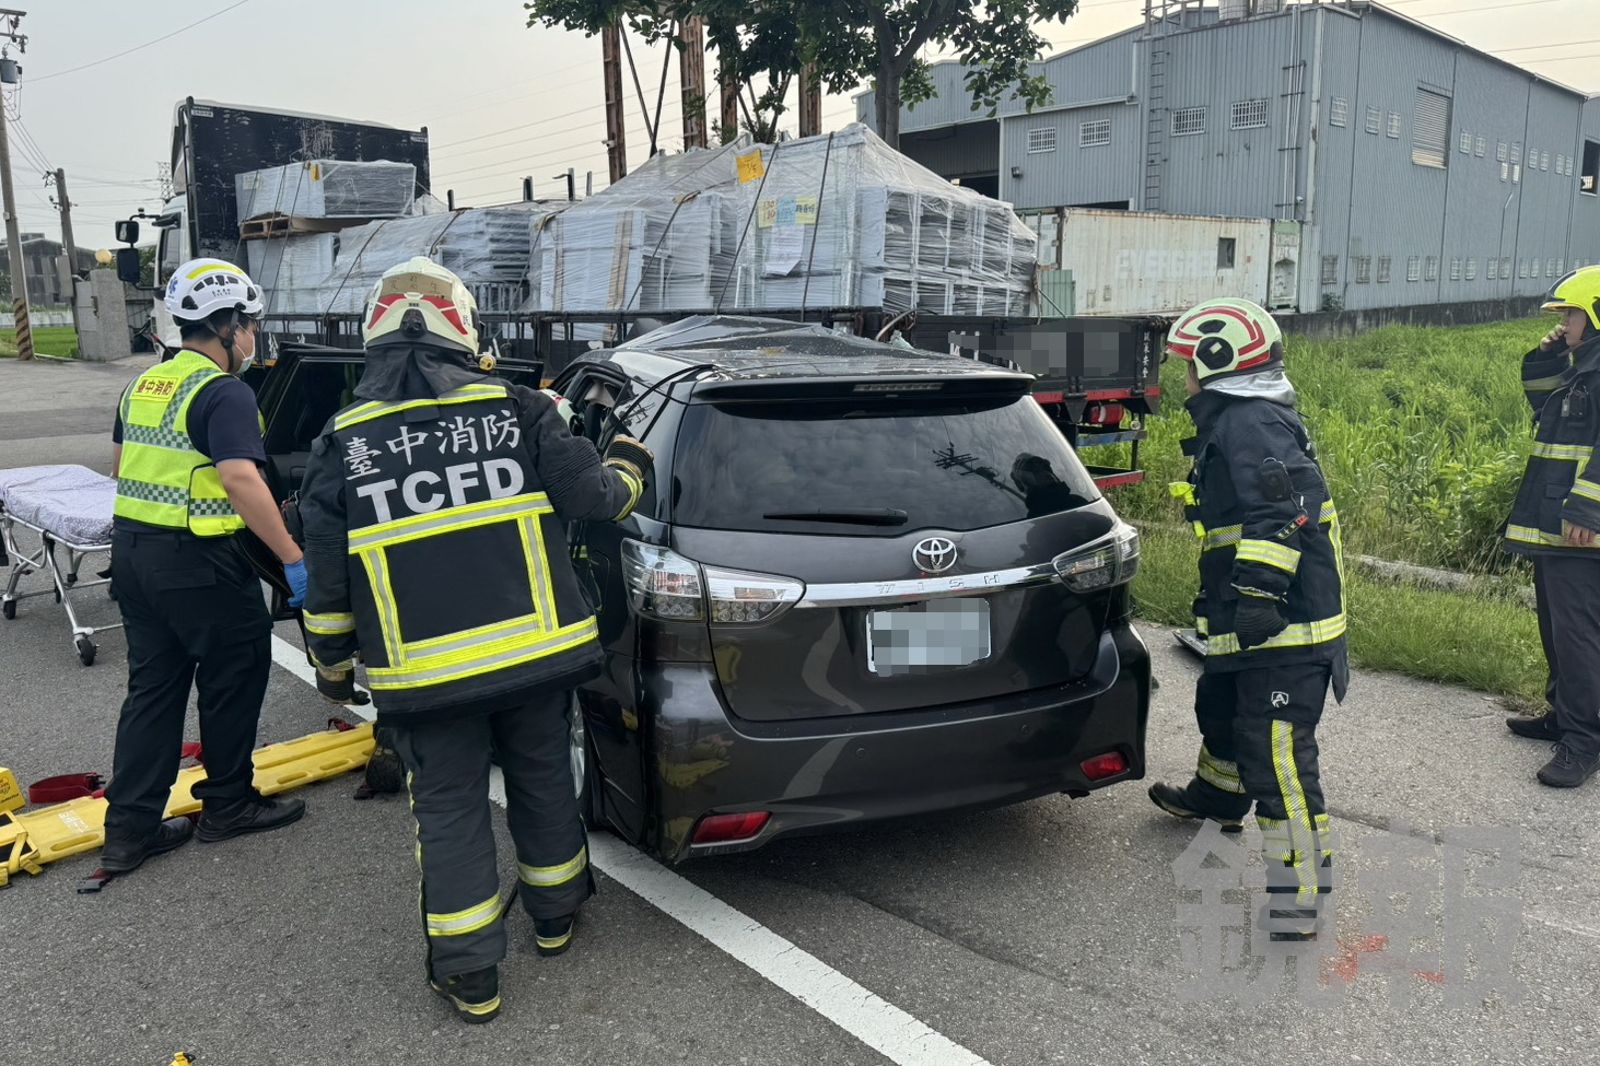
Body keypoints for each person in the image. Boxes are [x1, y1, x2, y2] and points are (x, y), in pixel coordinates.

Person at [296, 257, 651, 1024]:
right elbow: (599, 498)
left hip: (428, 682)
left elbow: (327, 584)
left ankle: (471, 975)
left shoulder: (343, 445)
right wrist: (631, 458)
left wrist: (330, 670)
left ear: (374, 340)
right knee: (543, 776)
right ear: (467, 334)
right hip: (537, 658)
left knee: (451, 808)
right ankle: (555, 919)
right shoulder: (520, 410)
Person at [1147, 298, 1347, 942]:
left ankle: (1301, 891)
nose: (1181, 376)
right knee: (1224, 706)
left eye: (1185, 364)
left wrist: (1259, 593)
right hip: (1250, 620)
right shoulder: (1238, 418)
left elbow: (1286, 509)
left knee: (1277, 755)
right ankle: (1218, 796)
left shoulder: (1250, 422)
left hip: (1286, 626)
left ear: (1216, 361)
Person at [103, 258, 309, 876]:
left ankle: (129, 832)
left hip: (135, 558)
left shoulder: (146, 384)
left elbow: (121, 466)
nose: (252, 338)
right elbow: (241, 478)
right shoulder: (225, 392)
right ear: (228, 327)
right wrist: (293, 558)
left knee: (153, 690)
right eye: (250, 326)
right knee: (233, 678)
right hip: (201, 563)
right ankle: (227, 807)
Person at [1501, 266, 1600, 788]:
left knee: (1579, 636)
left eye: (1571, 313)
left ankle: (1584, 741)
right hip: (1555, 524)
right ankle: (1563, 714)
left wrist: (1587, 510)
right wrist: (1547, 357)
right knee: (1557, 629)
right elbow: (1545, 407)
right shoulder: (1582, 365)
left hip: (1581, 532)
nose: (1563, 321)